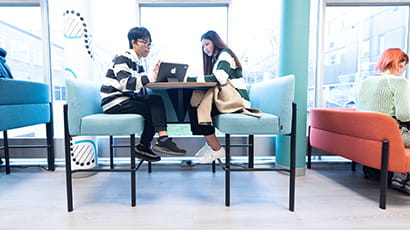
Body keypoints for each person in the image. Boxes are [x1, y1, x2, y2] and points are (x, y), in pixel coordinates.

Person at [100, 26, 186, 162]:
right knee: (154, 105)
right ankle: (160, 141)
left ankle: (145, 146)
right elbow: (126, 83)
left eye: (149, 44)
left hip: (126, 99)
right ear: (133, 42)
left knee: (155, 103)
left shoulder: (138, 63)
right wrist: (151, 77)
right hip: (114, 102)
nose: (148, 47)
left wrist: (157, 77)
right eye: (144, 43)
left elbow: (140, 87)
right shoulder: (122, 58)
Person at [186, 30, 250, 163]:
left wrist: (190, 79)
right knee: (194, 102)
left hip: (236, 102)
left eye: (207, 44)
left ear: (215, 42)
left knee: (197, 106)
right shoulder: (217, 59)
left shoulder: (225, 54)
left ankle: (216, 149)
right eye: (203, 46)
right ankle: (210, 144)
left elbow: (219, 78)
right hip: (228, 100)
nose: (205, 49)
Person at [355, 48, 410, 193]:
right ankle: (402, 176)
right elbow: (404, 114)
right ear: (400, 63)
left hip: (369, 134)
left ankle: (398, 174)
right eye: (404, 68)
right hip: (392, 134)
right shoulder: (400, 82)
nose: (403, 71)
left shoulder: (366, 82)